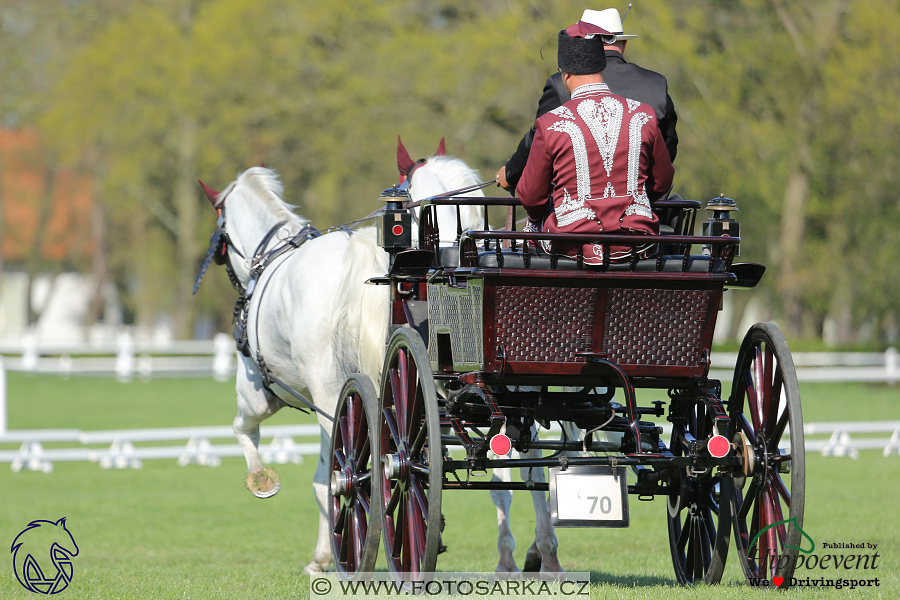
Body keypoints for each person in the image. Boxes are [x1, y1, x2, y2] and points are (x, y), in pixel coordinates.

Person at [515, 20, 674, 264]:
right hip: (637, 244)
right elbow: (662, 181)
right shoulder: (644, 115)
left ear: (564, 73)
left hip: (571, 246)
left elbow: (530, 197)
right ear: (600, 66)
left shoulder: (550, 123)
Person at [497, 7, 677, 191]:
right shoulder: (657, 83)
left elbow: (538, 141)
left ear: (582, 45)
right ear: (624, 44)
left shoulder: (562, 82)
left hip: (578, 208)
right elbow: (668, 151)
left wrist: (511, 173)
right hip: (648, 207)